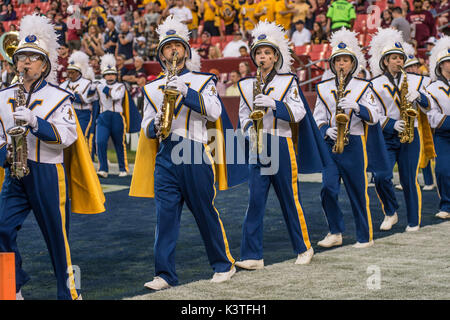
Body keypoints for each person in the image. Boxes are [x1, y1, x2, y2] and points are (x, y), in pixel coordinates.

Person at [129, 16, 243, 290]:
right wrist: (153, 128)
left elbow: (215, 111)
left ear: (186, 51)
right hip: (165, 154)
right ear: (161, 53)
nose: (173, 51)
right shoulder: (151, 88)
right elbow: (144, 125)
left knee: (204, 211)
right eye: (168, 47)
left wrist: (188, 93)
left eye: (178, 46)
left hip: (194, 151)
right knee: (165, 216)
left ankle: (223, 264)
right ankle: (165, 274)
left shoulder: (203, 81)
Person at [0, 14, 105, 300]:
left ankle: (70, 292)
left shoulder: (59, 97)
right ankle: (11, 287)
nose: (24, 63)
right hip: (15, 173)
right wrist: (5, 152)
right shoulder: (3, 95)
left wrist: (35, 122)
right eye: (21, 57)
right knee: (0, 229)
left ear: (44, 64)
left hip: (47, 173)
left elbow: (68, 137)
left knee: (58, 241)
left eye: (31, 58)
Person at [234, 21, 331, 270]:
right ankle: (252, 255)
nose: (263, 56)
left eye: (267, 52)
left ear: (276, 56)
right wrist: (247, 133)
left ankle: (304, 247)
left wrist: (274, 104)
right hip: (257, 144)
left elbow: (299, 112)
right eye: (259, 52)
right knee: (254, 201)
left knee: (289, 199)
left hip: (280, 142)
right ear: (253, 56)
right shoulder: (245, 84)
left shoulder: (288, 81)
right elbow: (243, 114)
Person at [313, 29, 380, 249]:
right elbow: (318, 118)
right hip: (331, 144)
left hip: (354, 144)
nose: (341, 64)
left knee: (357, 191)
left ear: (353, 64)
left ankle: (364, 235)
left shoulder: (363, 87)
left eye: (345, 60)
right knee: (328, 189)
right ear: (332, 64)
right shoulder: (323, 88)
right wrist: (325, 130)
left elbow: (374, 117)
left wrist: (357, 107)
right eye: (338, 61)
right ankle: (335, 231)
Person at [369, 28, 435, 232]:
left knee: (409, 179)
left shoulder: (418, 81)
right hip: (387, 137)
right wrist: (390, 124)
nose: (399, 61)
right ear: (385, 61)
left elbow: (429, 106)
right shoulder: (374, 84)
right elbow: (373, 113)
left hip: (411, 135)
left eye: (401, 58)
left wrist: (420, 97)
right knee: (381, 176)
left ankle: (414, 221)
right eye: (394, 58)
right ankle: (391, 211)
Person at [93, 53, 140, 178]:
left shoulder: (120, 86)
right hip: (103, 117)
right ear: (104, 75)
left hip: (117, 117)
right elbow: (89, 97)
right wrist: (92, 85)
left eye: (112, 74)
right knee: (101, 142)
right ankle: (103, 168)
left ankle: (123, 168)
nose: (110, 76)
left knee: (120, 143)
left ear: (116, 75)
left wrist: (101, 87)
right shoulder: (99, 85)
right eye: (108, 74)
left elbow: (115, 96)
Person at [426, 36, 450, 219]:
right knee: (442, 170)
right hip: (443, 135)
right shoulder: (432, 87)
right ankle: (446, 205)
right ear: (440, 65)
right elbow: (432, 117)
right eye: (447, 62)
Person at [60, 51, 96, 138]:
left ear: (78, 73)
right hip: (67, 113)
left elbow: (86, 99)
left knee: (82, 137)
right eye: (69, 72)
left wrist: (70, 96)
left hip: (83, 114)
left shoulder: (87, 83)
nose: (70, 75)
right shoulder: (63, 85)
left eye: (72, 72)